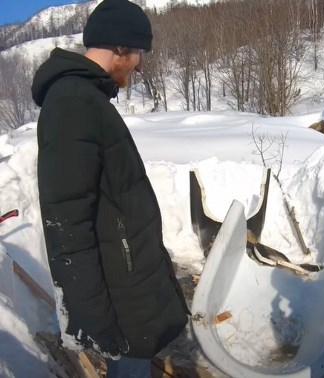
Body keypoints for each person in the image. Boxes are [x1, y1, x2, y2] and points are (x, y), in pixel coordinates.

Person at [31, 0, 189, 376]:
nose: (140, 64)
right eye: (138, 53)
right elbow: (67, 224)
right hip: (118, 294)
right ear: (120, 48)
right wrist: (93, 319)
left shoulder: (86, 99)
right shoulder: (72, 103)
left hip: (126, 277)